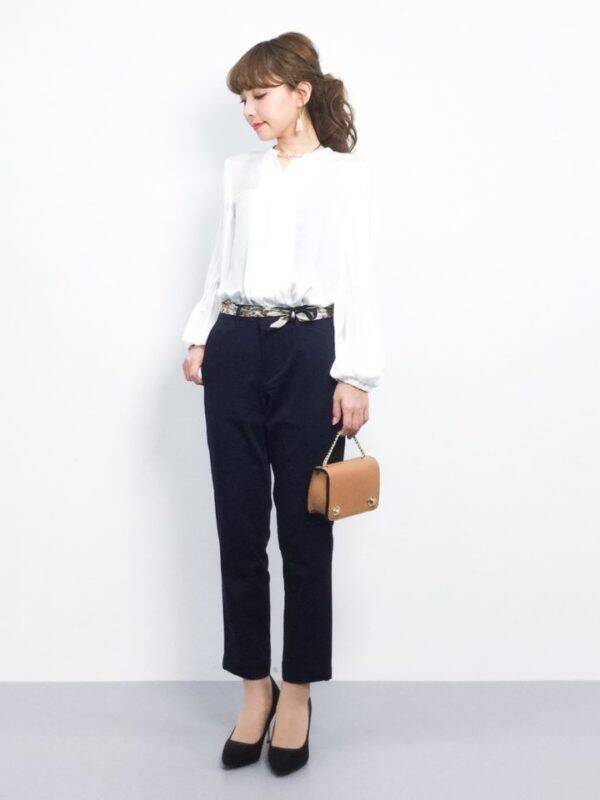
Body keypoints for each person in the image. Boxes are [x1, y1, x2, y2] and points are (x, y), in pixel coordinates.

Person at [181, 31, 385, 775]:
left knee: (304, 530)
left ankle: (296, 691)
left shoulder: (344, 177)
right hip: (235, 345)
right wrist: (201, 333)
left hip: (309, 352)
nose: (249, 109)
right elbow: (220, 263)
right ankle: (253, 688)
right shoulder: (239, 172)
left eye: (260, 94)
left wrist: (355, 374)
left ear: (301, 93)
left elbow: (357, 274)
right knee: (237, 525)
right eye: (243, 98)